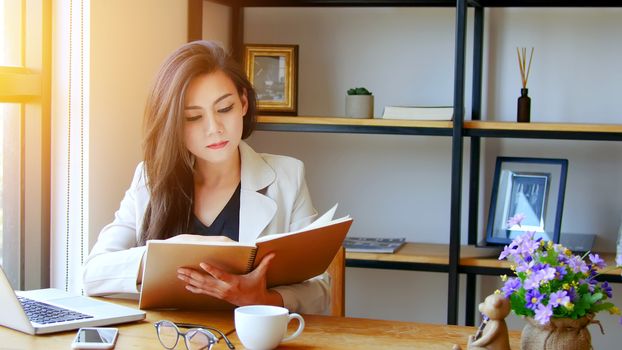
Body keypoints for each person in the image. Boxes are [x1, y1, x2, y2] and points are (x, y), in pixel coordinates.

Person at [82, 40, 329, 314]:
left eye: (224, 109)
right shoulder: (150, 178)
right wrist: (165, 255)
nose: (214, 128)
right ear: (174, 123)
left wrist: (262, 299)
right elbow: (92, 274)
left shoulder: (287, 177)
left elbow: (320, 291)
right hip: (164, 339)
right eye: (193, 117)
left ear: (244, 103)